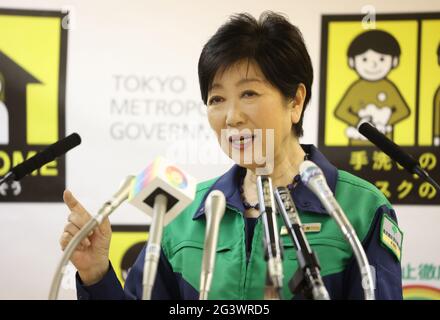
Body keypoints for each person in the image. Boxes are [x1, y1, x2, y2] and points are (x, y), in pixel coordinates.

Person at [60, 11, 403, 300]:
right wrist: (97, 274)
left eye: (249, 93)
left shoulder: (359, 209)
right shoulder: (183, 215)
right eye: (216, 99)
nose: (231, 117)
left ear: (295, 101)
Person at [334, 30, 410, 145]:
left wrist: (385, 120)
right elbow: (341, 111)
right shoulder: (356, 88)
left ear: (394, 61)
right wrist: (360, 122)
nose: (373, 65)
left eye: (381, 59)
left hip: (385, 148)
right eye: (364, 59)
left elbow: (403, 111)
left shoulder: (389, 87)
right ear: (352, 61)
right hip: (356, 145)